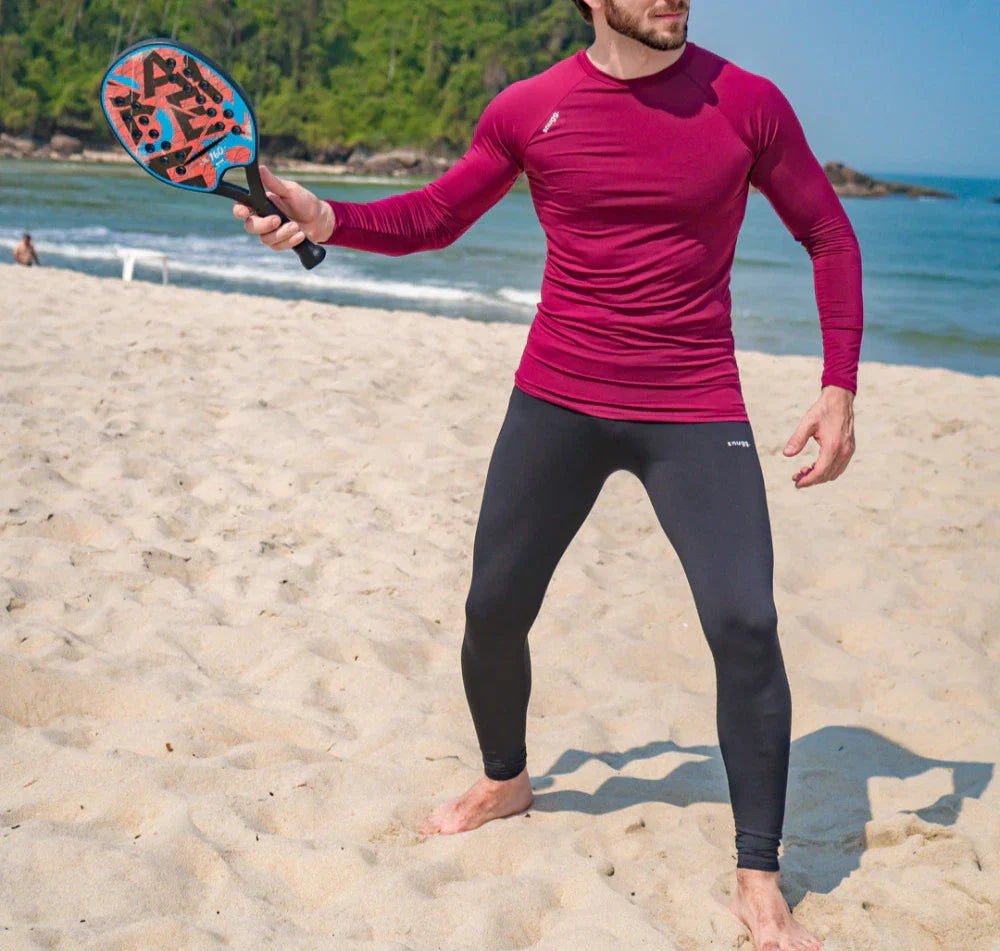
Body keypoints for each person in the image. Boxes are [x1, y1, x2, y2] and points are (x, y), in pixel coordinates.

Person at [235, 1, 861, 947]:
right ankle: (506, 778)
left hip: (693, 404)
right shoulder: (532, 107)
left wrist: (838, 384)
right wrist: (329, 217)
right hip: (558, 396)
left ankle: (759, 869)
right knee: (493, 608)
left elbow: (828, 234)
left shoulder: (747, 102)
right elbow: (438, 215)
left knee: (745, 620)